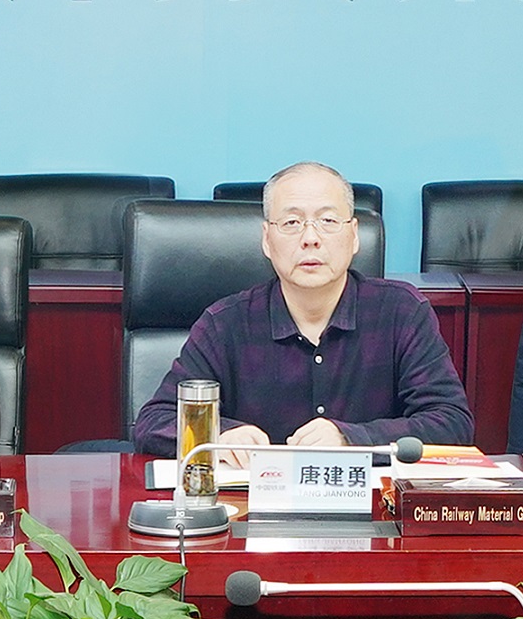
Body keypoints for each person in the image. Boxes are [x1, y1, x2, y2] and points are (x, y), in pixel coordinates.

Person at [130, 161, 471, 458]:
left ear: (354, 236)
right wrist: (219, 435)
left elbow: (452, 422)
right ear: (267, 239)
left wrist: (352, 438)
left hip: (370, 504)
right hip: (251, 506)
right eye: (292, 223)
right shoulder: (225, 324)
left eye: (327, 220)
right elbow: (154, 421)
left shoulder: (401, 313)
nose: (310, 238)